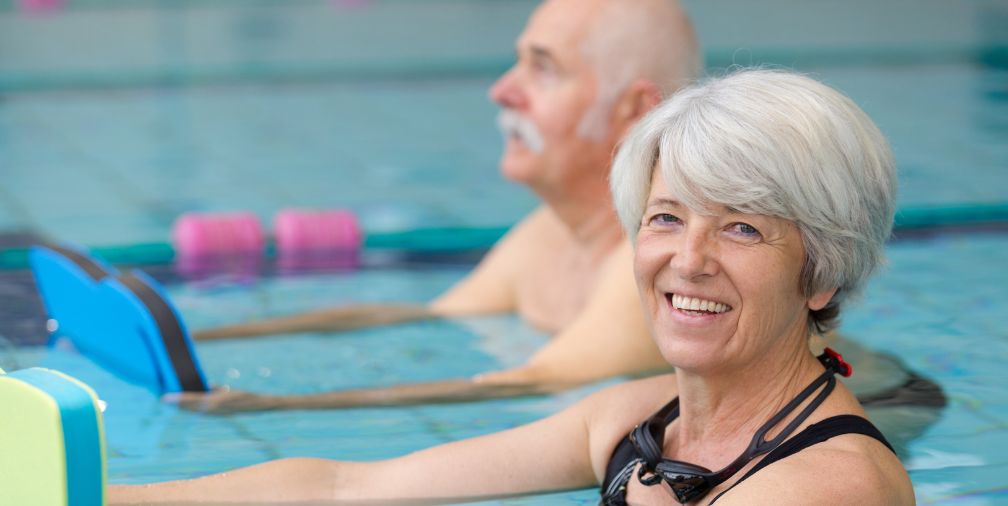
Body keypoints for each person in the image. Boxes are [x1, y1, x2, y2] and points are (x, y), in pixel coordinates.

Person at [111, 69, 915, 505]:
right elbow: (353, 483)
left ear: (822, 272)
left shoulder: (828, 486)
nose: (689, 259)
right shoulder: (638, 419)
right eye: (667, 218)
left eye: (742, 229)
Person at [177, 0, 703, 412]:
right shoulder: (552, 232)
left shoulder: (653, 273)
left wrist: (270, 407)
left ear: (636, 112)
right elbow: (429, 317)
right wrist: (196, 336)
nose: (502, 90)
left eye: (543, 69)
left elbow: (529, 384)